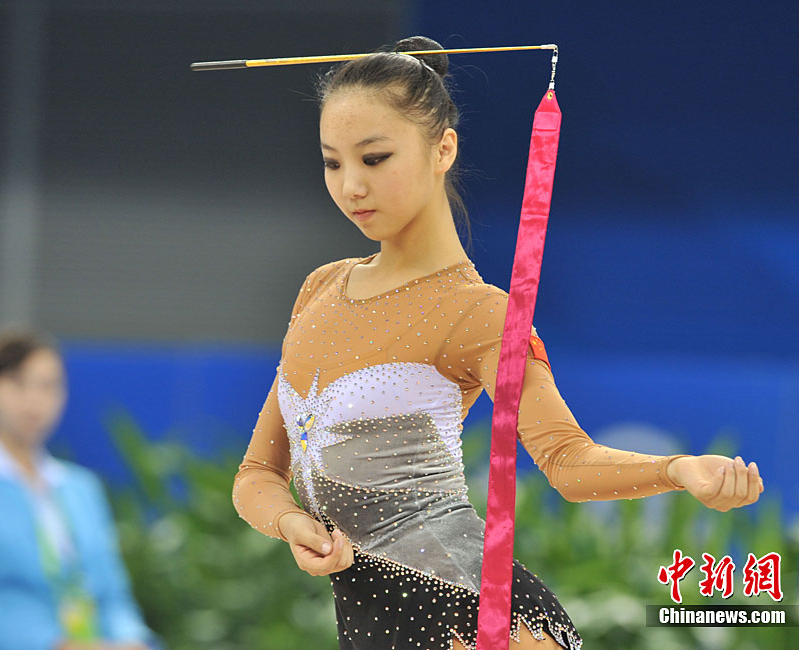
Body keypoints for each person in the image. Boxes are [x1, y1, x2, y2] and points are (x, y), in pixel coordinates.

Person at [231, 36, 765, 650]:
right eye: (332, 162)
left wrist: (677, 470)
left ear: (443, 148)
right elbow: (257, 473)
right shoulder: (321, 288)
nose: (351, 185)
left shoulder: (480, 314)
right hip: (368, 622)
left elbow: (566, 461)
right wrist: (290, 522)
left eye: (375, 158)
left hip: (475, 616)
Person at [0, 325, 161, 650]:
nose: (34, 400)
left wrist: (132, 640)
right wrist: (58, 645)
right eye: (18, 383)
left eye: (48, 386)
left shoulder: (81, 487)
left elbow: (113, 596)